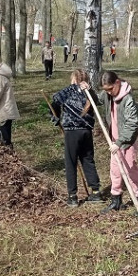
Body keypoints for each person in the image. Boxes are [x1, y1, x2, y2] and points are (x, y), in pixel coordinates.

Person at [94, 70, 138, 214]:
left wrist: (119, 142)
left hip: (126, 141)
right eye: (106, 90)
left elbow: (133, 124)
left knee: (131, 171)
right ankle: (116, 200)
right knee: (115, 171)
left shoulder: (127, 99)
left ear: (117, 82)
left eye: (110, 89)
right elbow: (97, 99)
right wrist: (87, 89)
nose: (109, 93)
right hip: (114, 142)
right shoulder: (108, 94)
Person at [51, 69, 103, 207]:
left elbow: (55, 99)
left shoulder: (70, 90)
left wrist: (55, 115)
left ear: (74, 78)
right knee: (88, 160)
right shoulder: (89, 92)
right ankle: (96, 192)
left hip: (72, 132)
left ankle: (72, 196)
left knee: (71, 163)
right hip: (86, 131)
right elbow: (97, 102)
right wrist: (56, 115)